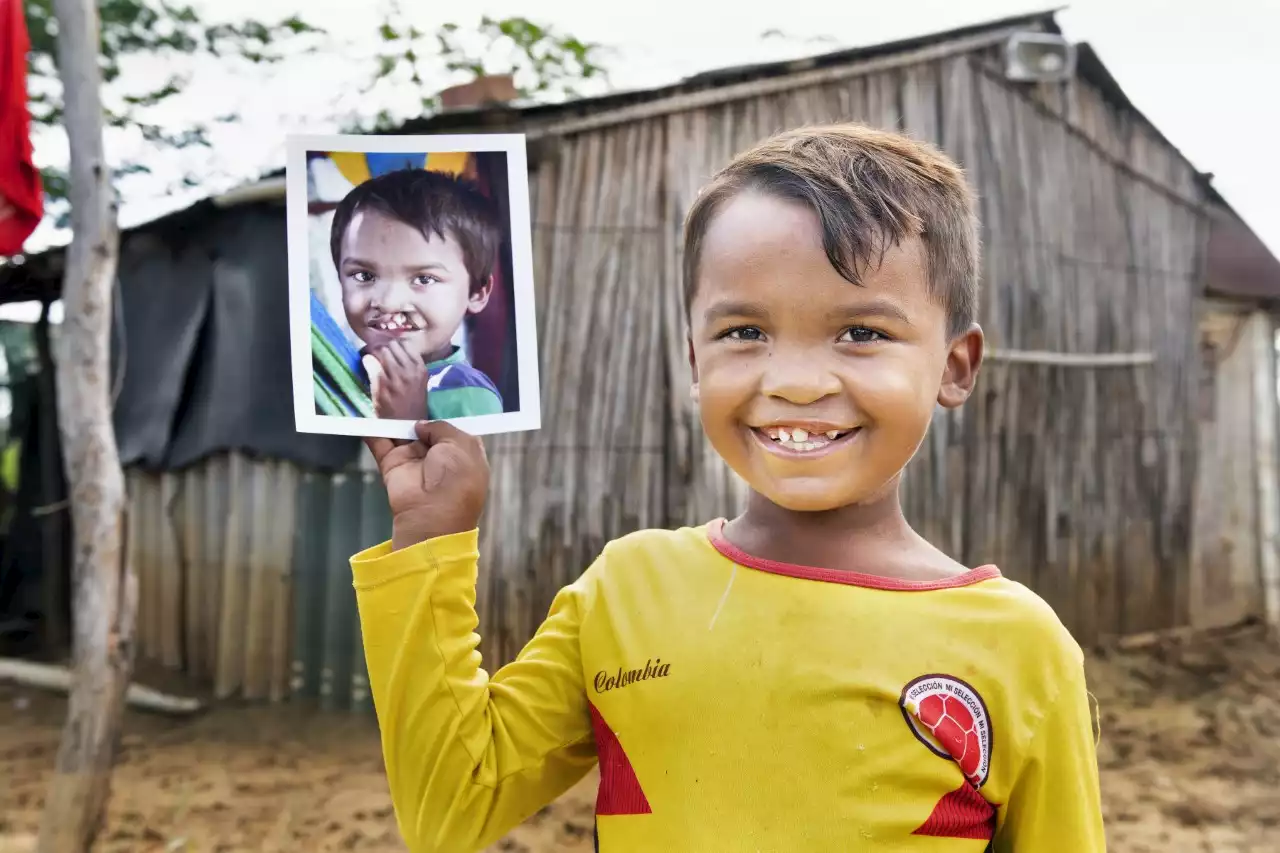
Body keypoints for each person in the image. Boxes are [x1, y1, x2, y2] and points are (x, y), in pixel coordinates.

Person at [352, 124, 1106, 852]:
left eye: (863, 333)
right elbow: (449, 805)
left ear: (954, 365)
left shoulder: (1019, 650)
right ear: (693, 358)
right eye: (744, 332)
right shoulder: (628, 591)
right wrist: (430, 542)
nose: (797, 382)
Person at [329, 167, 505, 421]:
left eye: (424, 279)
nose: (389, 302)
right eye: (364, 276)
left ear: (476, 293)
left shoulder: (471, 399)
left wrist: (409, 416)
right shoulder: (339, 368)